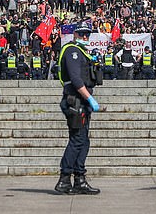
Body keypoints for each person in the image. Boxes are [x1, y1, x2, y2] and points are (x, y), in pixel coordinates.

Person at [55, 21, 101, 195]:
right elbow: (75, 78)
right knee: (77, 140)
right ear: (75, 34)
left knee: (83, 140)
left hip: (81, 101)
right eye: (82, 33)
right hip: (76, 101)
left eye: (87, 34)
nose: (85, 37)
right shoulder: (72, 50)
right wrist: (90, 98)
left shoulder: (82, 51)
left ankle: (79, 179)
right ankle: (64, 179)